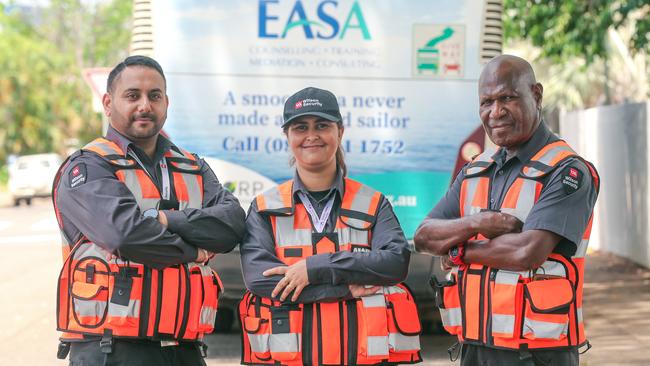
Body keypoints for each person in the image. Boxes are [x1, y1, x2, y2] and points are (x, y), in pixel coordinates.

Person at [52, 55, 246, 366]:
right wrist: (196, 251)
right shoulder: (89, 166)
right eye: (132, 95)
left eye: (154, 96)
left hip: (185, 350)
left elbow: (232, 226)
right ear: (107, 102)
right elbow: (124, 236)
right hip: (111, 350)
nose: (145, 105)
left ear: (166, 103)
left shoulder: (192, 166)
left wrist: (166, 219)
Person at [414, 54, 600, 365]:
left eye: (507, 98)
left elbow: (527, 251)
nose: (495, 112)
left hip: (537, 352)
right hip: (475, 345)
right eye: (486, 102)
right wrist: (478, 223)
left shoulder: (567, 171)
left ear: (536, 95)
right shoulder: (475, 171)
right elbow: (424, 237)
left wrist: (460, 251)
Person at [238, 87, 422, 365]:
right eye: (301, 127)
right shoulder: (265, 207)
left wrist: (316, 268)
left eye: (322, 125)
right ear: (287, 136)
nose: (312, 135)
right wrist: (344, 289)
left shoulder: (373, 203)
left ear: (340, 131)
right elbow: (260, 280)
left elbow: (395, 263)